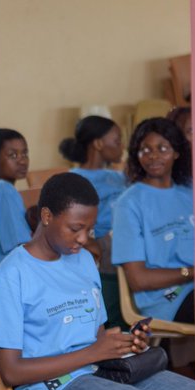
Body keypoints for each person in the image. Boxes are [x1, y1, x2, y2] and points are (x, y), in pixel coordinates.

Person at [0, 172, 195, 390]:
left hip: (102, 369)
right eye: (75, 228)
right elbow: (11, 372)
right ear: (47, 216)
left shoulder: (84, 260)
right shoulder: (11, 275)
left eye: (89, 230)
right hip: (53, 386)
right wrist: (93, 353)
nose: (83, 239)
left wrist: (125, 343)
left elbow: (96, 336)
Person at [112, 118, 195, 324]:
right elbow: (139, 279)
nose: (154, 156)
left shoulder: (190, 194)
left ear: (177, 152)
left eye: (162, 148)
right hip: (167, 299)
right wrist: (192, 273)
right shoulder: (129, 203)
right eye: (145, 150)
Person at [63, 115, 128, 327]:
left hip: (126, 237)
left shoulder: (118, 176)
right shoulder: (76, 179)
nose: (122, 146)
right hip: (102, 242)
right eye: (117, 140)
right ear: (99, 143)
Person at [0, 128, 33, 263]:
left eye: (25, 153)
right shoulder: (4, 190)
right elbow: (20, 247)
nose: (22, 161)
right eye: (13, 155)